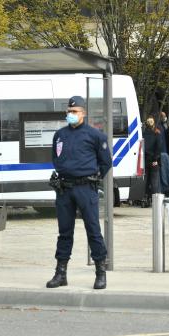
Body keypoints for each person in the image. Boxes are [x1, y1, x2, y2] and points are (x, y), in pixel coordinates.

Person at [46, 96, 112, 290]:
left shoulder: (95, 135)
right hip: (64, 188)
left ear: (83, 113)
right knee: (64, 232)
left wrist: (94, 177)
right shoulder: (60, 135)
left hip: (85, 188)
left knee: (93, 230)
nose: (71, 115)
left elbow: (106, 162)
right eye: (69, 112)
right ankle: (61, 273)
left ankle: (100, 273)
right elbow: (55, 158)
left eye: (75, 112)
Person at [143, 116, 163, 204]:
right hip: (154, 160)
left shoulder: (143, 134)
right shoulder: (156, 134)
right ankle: (155, 201)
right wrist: (156, 159)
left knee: (145, 181)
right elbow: (159, 147)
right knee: (155, 181)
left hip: (144, 160)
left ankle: (145, 198)